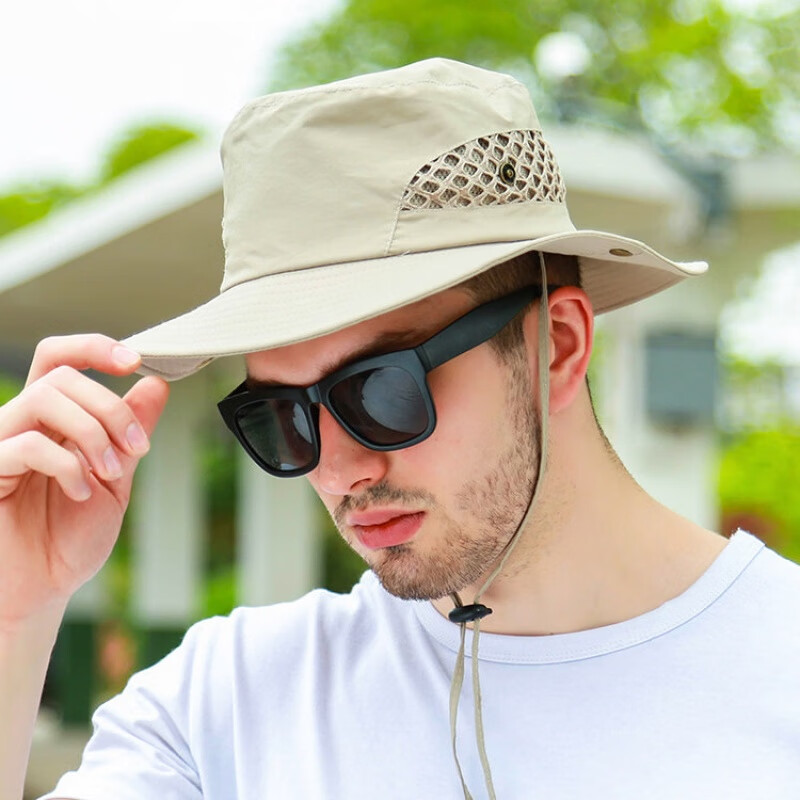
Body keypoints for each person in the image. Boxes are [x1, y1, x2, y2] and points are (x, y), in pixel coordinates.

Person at [2, 58, 799, 800]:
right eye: (282, 416)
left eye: (379, 391)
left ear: (557, 345)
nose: (340, 468)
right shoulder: (225, 705)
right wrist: (16, 610)